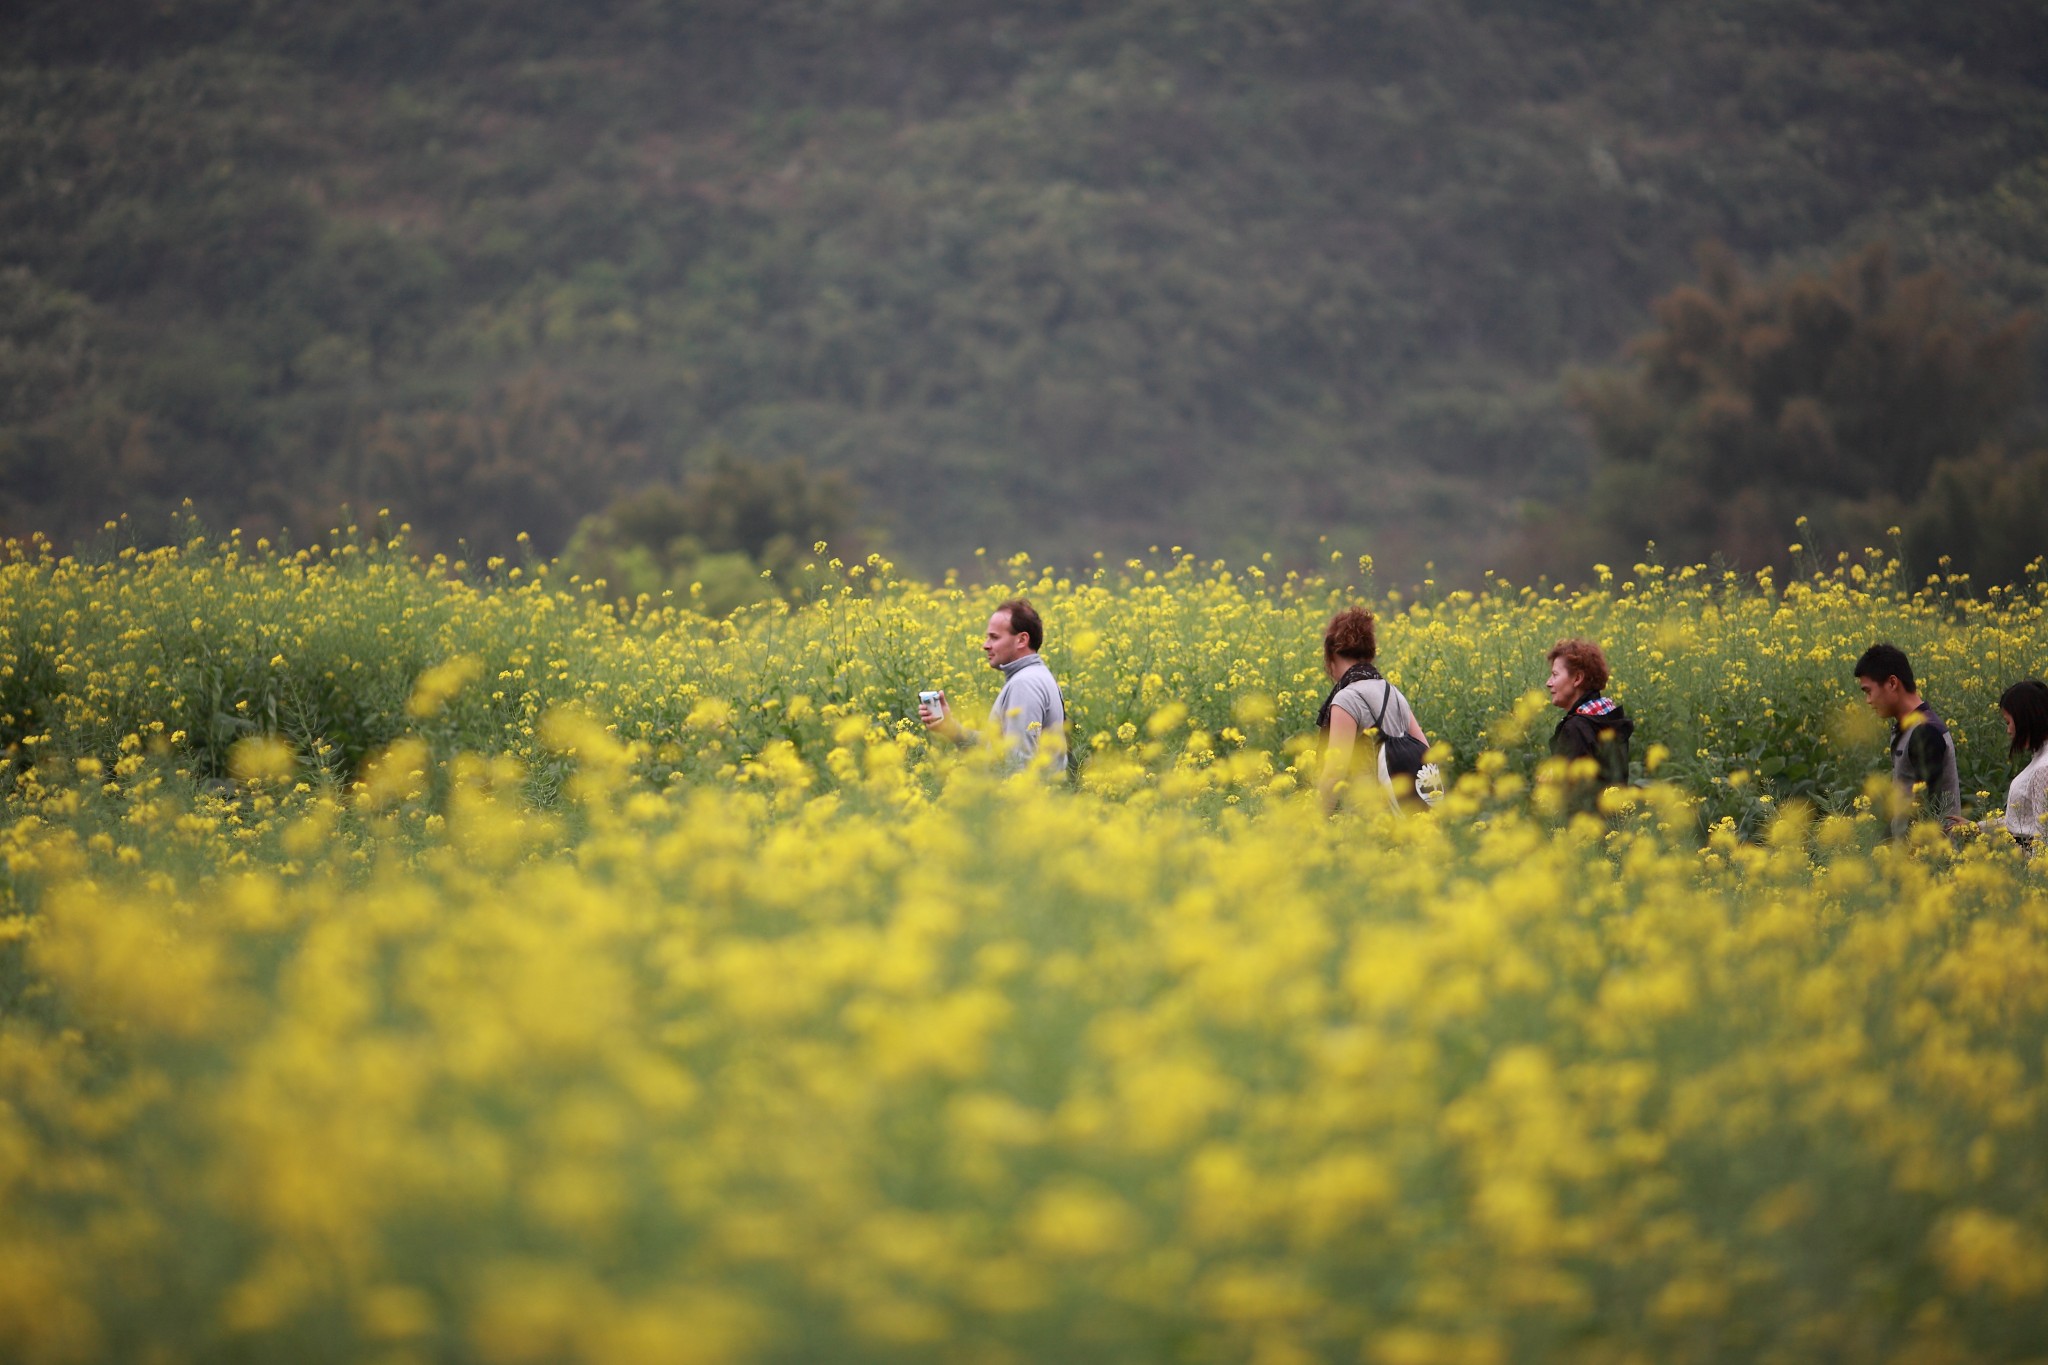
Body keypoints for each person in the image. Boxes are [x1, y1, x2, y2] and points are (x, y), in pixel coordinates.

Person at [920, 598, 1068, 775]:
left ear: (1022, 640)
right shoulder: (1037, 676)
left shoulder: (1024, 684)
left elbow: (1018, 765)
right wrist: (951, 728)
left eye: (994, 637)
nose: (985, 645)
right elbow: (998, 748)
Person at [1315, 607, 1431, 813]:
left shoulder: (1347, 699)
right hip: (1405, 814)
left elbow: (1334, 772)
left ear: (1331, 654)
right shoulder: (1392, 692)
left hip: (1370, 815)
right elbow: (1425, 751)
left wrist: (1312, 825)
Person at [1853, 641, 1965, 837]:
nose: (1868, 701)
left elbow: (1929, 810)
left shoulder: (1925, 732)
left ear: (1892, 683)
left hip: (1929, 860)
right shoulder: (1909, 729)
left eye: (1868, 691)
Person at [1546, 638, 1634, 805]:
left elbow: (1574, 798)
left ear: (1577, 678)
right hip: (1615, 822)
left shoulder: (1576, 728)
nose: (1548, 683)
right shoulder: (1609, 718)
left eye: (1555, 675)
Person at [1979, 679, 2048, 853]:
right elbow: (2023, 821)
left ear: (2026, 719)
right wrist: (1976, 828)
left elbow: (2043, 839)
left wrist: (2033, 878)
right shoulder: (2040, 759)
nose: (2008, 731)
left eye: (2008, 722)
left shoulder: (2043, 769)